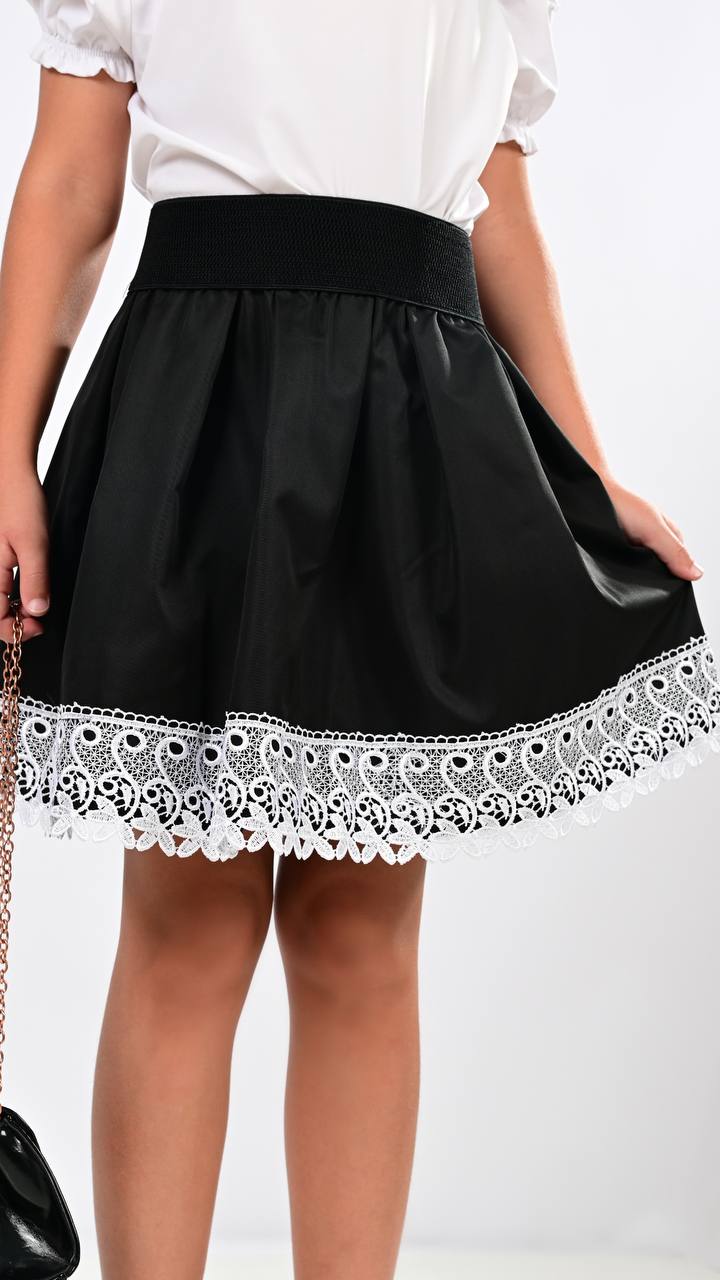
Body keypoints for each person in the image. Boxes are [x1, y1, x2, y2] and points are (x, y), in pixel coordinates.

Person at [0, 2, 717, 1278]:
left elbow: (495, 200)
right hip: (203, 399)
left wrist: (590, 468)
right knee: (187, 912)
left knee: (360, 927)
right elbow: (69, 174)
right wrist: (5, 448)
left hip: (407, 403)